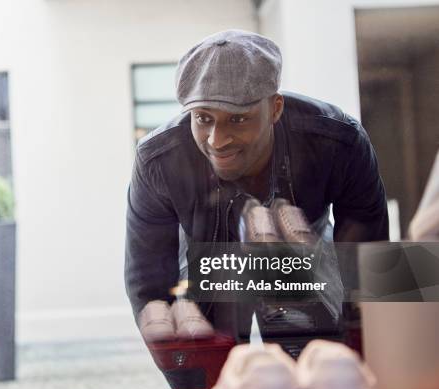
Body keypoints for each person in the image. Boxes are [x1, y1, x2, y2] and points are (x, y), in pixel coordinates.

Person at [124, 29, 388, 320]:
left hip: (302, 253)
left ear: (275, 109)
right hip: (208, 260)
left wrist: (353, 343)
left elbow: (368, 252)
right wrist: (186, 358)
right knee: (203, 346)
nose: (216, 140)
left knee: (315, 345)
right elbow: (148, 280)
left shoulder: (338, 141)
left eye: (238, 119)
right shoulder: (157, 160)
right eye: (203, 118)